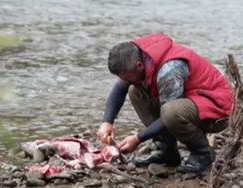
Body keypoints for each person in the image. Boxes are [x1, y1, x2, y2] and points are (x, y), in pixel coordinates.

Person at [96, 33, 234, 174]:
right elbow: (120, 88)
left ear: (139, 65)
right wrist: (107, 122)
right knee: (134, 91)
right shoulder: (138, 55)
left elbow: (167, 118)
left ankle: (202, 153)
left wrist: (139, 138)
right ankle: (166, 151)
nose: (124, 81)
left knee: (170, 111)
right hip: (192, 100)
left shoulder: (169, 71)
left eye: (127, 77)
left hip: (217, 110)